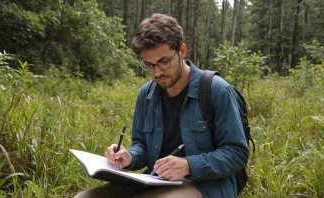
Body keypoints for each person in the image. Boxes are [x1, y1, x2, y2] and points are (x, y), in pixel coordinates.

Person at [75, 13, 249, 198]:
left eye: (164, 62)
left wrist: (189, 165)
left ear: (182, 51)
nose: (157, 72)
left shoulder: (216, 90)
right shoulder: (146, 94)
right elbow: (141, 145)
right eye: (149, 65)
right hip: (155, 181)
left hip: (206, 186)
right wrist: (130, 156)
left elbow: (237, 153)